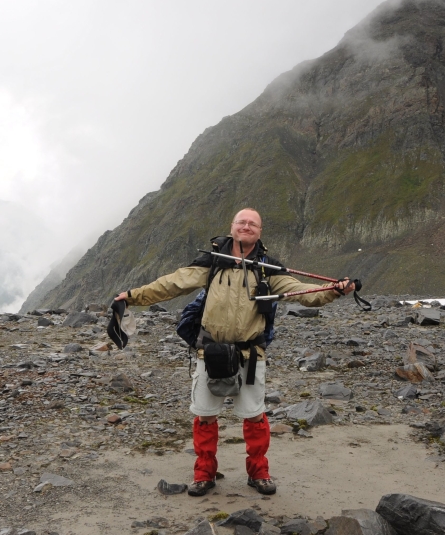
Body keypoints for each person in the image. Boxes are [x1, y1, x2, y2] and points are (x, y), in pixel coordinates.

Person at [114, 208, 355, 496]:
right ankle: (204, 473)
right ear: (232, 227)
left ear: (260, 231)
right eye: (242, 222)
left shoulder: (268, 268)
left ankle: (259, 473)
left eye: (253, 223)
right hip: (210, 351)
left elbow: (303, 292)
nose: (247, 226)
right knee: (205, 415)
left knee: (255, 416)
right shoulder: (212, 263)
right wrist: (132, 296)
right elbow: (173, 283)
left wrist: (334, 290)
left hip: (251, 354)